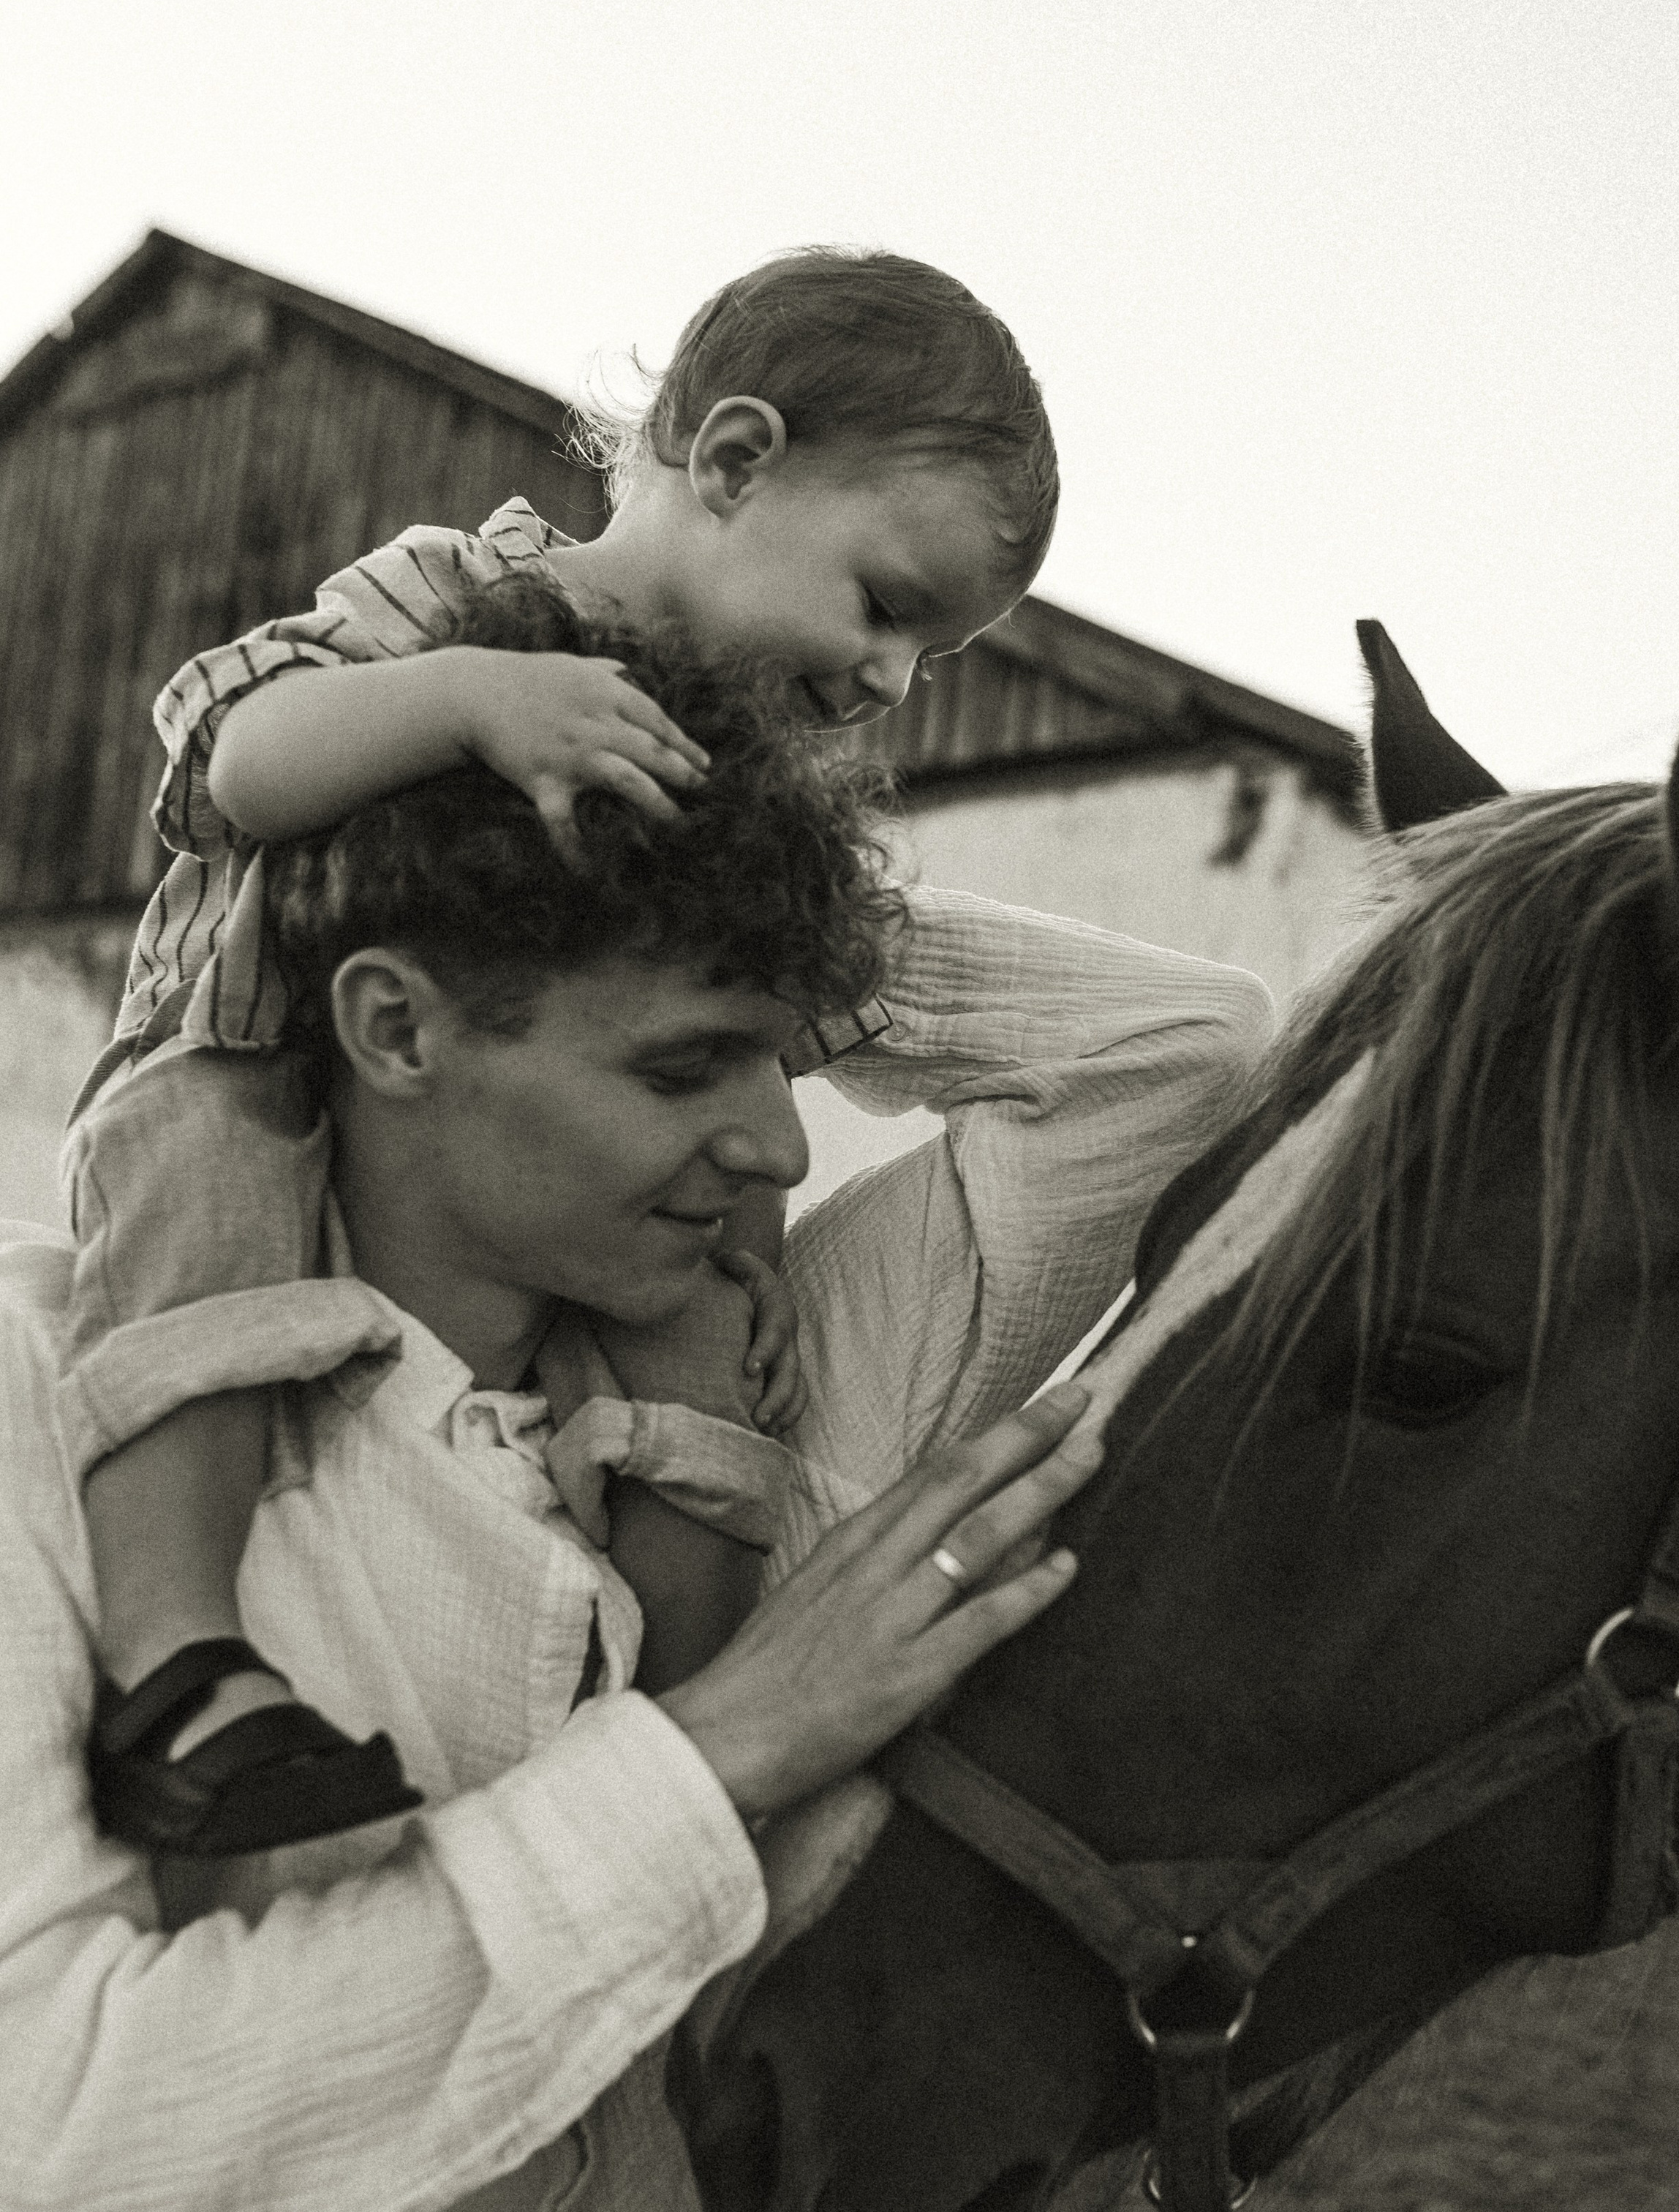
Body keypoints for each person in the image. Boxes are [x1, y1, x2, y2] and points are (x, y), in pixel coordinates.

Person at [0, 603, 1275, 2212]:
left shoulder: (804, 1357)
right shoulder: (31, 1417)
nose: (775, 1142)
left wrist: (732, 832)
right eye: (690, 1063)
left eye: (789, 1058)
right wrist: (725, 1750)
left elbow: (1180, 1059)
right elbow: (49, 2184)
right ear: (396, 1027)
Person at [62, 244, 1057, 1858]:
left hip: (505, 1160)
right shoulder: (449, 598)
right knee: (201, 1271)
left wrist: (745, 1253)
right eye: (887, 609)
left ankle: (688, 1719)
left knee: (705, 1382)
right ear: (732, 461)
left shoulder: (733, 758)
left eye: (934, 659)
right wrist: (464, 701)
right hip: (249, 1060)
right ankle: (177, 1656)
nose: (889, 679)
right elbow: (227, 761)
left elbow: (722, 1042)